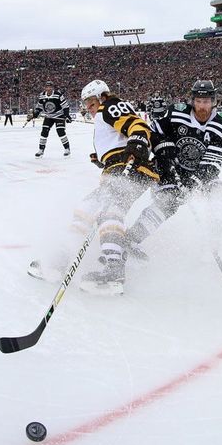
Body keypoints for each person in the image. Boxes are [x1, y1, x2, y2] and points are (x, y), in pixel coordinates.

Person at [30, 80, 157, 294]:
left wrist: (136, 143)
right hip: (122, 169)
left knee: (109, 212)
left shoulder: (110, 105)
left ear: (102, 97)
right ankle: (61, 261)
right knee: (87, 208)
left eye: (91, 103)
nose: (88, 109)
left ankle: (113, 271)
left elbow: (138, 126)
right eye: (86, 105)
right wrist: (103, 158)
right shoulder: (103, 114)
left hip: (129, 169)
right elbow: (119, 137)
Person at [126, 80, 222, 254]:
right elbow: (152, 132)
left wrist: (193, 182)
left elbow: (213, 162)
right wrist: (162, 147)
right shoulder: (175, 112)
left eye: (206, 102)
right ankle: (131, 239)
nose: (202, 106)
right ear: (192, 101)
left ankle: (213, 237)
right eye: (198, 101)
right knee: (169, 201)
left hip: (197, 174)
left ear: (213, 102)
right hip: (168, 167)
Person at [27, 81, 71, 158]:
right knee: (44, 131)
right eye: (47, 87)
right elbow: (39, 107)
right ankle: (41, 150)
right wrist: (36, 113)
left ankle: (67, 149)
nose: (48, 88)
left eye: (50, 87)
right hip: (49, 116)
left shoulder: (58, 95)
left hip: (59, 115)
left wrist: (67, 115)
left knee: (60, 131)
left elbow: (65, 106)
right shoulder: (42, 95)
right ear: (45, 88)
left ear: (52, 87)